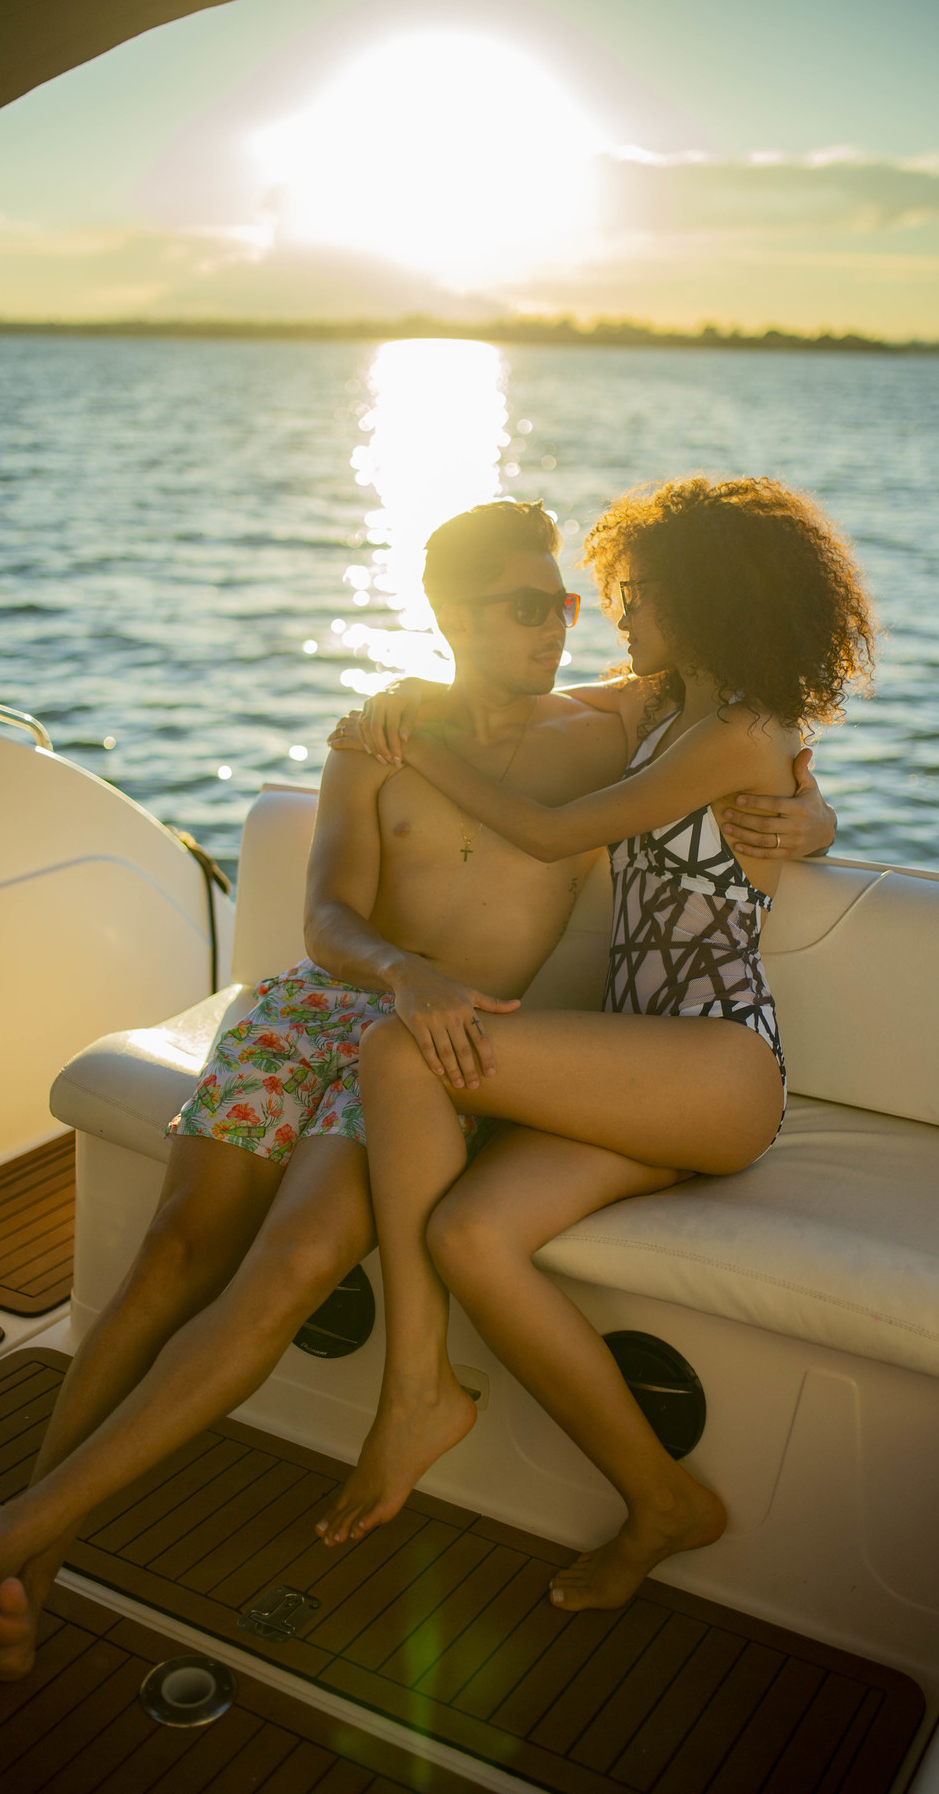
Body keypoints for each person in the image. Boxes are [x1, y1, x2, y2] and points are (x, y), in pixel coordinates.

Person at [0, 497, 837, 1680]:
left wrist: (813, 813)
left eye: (569, 603)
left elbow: (752, 737)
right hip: (368, 1015)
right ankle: (29, 1560)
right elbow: (330, 913)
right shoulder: (382, 734)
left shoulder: (618, 719)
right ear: (445, 613)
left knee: (293, 1257)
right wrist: (402, 967)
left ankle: (20, 1541)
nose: (565, 626)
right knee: (203, 1247)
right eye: (526, 607)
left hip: (527, 1052)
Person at [315, 477, 875, 1617]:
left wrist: (409, 744)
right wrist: (405, 702)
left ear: (703, 596)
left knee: (401, 1051)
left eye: (637, 593)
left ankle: (412, 1394)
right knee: (472, 1234)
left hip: (719, 1067)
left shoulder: (736, 729)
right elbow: (779, 780)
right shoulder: (674, 707)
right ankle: (663, 1500)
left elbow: (552, 827)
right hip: (640, 1066)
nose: (614, 611)